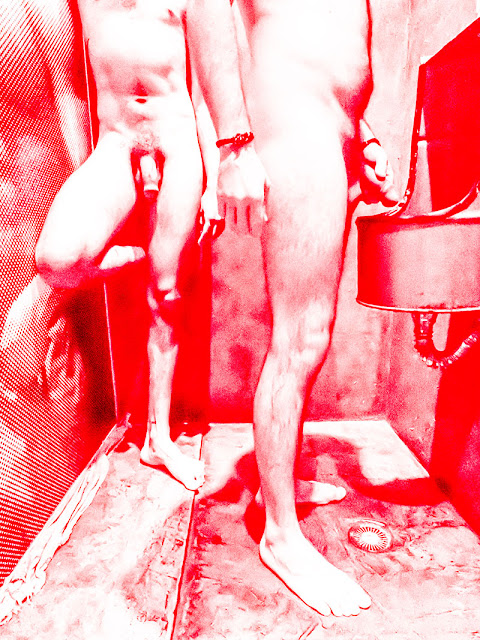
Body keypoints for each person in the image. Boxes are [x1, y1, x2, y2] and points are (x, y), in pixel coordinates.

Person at [31, 0, 268, 491]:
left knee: (167, 295)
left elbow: (202, 98)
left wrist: (211, 183)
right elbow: (68, 82)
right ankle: (142, 258)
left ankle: (157, 439)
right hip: (116, 142)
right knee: (56, 260)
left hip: (177, 140)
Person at [230, 0, 399, 619]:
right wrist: (232, 144)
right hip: (296, 119)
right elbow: (209, 10)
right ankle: (280, 535)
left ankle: (274, 490)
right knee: (298, 339)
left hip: (334, 127)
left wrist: (364, 131)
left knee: (312, 335)